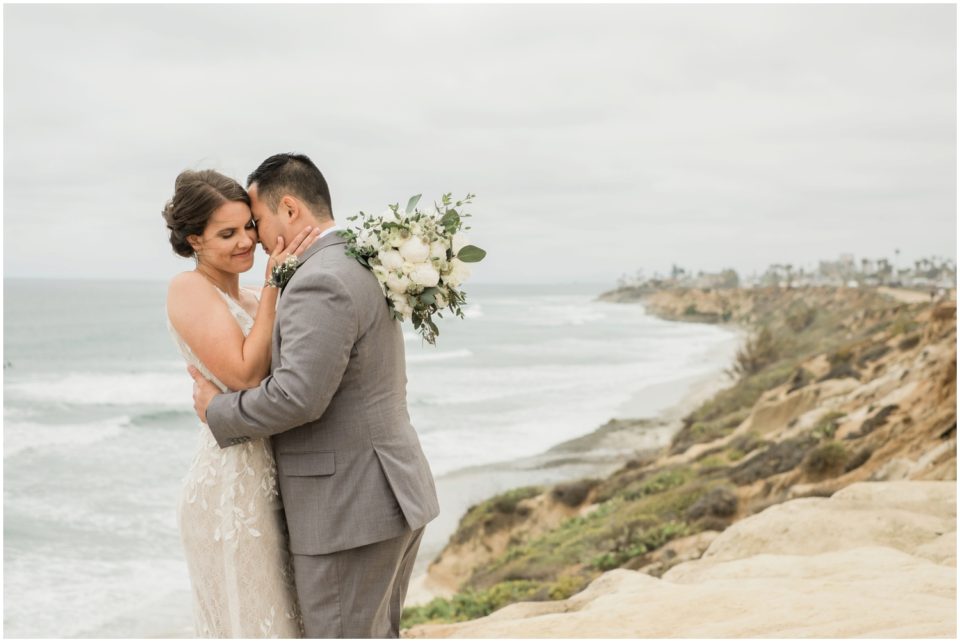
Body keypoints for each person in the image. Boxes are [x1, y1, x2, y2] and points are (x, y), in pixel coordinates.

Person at [188, 153, 441, 638]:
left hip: (348, 508)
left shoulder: (319, 278)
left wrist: (216, 410)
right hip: (383, 493)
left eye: (257, 222)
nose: (257, 240)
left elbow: (297, 397)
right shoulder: (355, 259)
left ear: (289, 209)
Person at [164, 168, 322, 637]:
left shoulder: (254, 297)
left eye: (248, 227)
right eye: (227, 234)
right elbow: (245, 374)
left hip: (278, 481)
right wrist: (277, 283)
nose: (246, 242)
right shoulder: (188, 288)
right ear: (194, 240)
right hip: (230, 488)